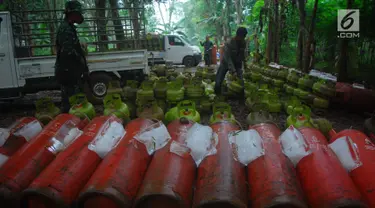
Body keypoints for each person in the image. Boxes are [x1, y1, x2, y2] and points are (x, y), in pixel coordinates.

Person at [55, 0, 89, 113]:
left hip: (70, 72)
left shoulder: (69, 27)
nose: (81, 16)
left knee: (72, 103)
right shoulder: (66, 29)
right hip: (68, 73)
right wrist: (80, 60)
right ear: (72, 13)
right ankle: (71, 125)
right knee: (72, 104)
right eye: (79, 13)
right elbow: (68, 52)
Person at [214, 27, 248, 96]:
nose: (244, 38)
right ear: (238, 35)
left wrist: (245, 65)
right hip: (225, 63)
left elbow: (242, 54)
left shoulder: (243, 42)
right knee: (218, 81)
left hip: (237, 63)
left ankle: (240, 98)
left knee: (241, 81)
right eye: (243, 36)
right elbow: (228, 58)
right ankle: (216, 96)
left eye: (244, 37)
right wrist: (233, 71)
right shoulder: (229, 43)